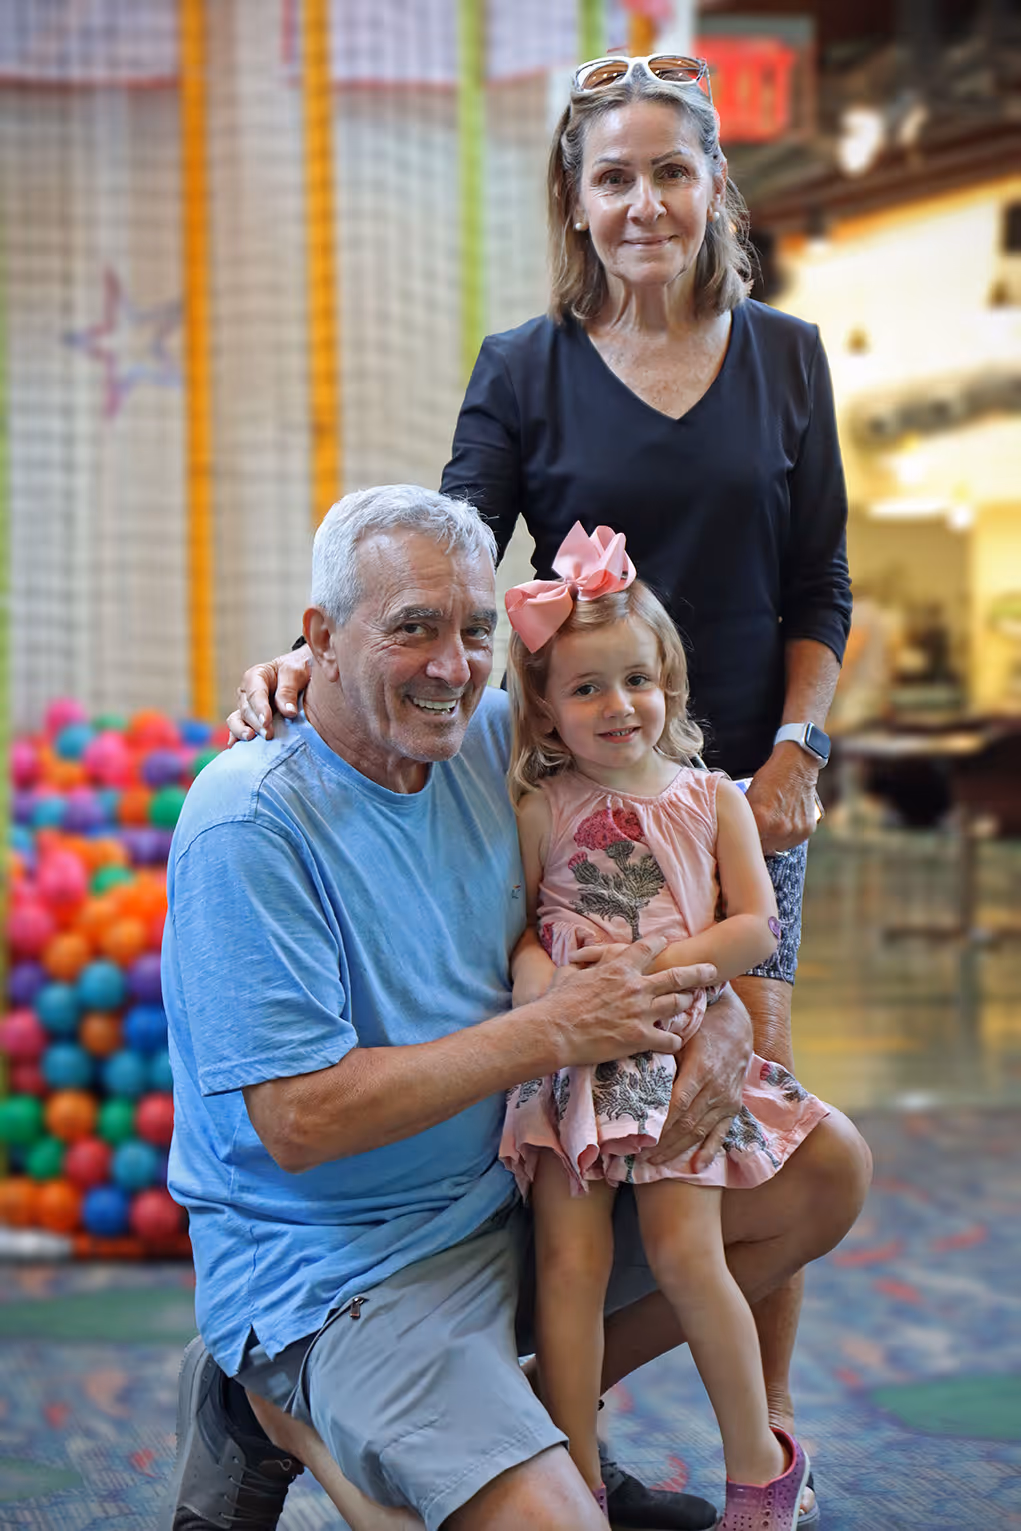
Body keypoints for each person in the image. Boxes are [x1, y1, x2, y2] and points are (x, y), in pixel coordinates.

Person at [226, 58, 866, 1525]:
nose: (644, 201)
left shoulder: (787, 355)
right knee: (577, 1149)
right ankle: (552, 1429)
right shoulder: (524, 363)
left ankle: (760, 1449)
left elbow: (820, 581)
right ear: (576, 206)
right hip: (569, 818)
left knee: (729, 1138)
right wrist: (307, 646)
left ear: (713, 187)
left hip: (731, 815)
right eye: (613, 177)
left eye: (670, 172)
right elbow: (449, 550)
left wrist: (794, 753)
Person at [168, 486, 869, 1531]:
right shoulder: (246, 820)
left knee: (823, 1170)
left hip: (515, 1189)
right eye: (412, 628)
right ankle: (264, 1401)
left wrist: (706, 1005)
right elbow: (298, 1122)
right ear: (316, 637)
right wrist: (554, 1028)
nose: (452, 666)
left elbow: (682, 860)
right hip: (349, 1262)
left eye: (476, 631)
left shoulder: (494, 739)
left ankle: (537, 1424)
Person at [498, 521, 827, 1528]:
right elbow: (519, 934)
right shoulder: (538, 805)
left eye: (635, 680)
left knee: (691, 1256)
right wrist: (541, 996)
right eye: (586, 687)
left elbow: (752, 927)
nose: (616, 705)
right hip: (571, 1066)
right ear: (547, 711)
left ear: (669, 686)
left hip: (681, 1055)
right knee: (570, 1266)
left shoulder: (708, 799)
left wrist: (654, 969)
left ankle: (758, 1469)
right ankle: (578, 1480)